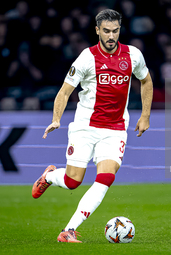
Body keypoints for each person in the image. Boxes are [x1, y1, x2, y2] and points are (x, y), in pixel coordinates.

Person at [31, 9, 153, 243]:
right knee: (72, 181)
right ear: (97, 30)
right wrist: (56, 119)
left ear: (120, 30)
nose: (111, 36)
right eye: (106, 31)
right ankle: (48, 177)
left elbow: (146, 80)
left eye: (115, 31)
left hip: (116, 129)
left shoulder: (133, 55)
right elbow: (65, 91)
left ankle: (69, 230)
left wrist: (145, 115)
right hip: (85, 127)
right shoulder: (87, 58)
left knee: (106, 177)